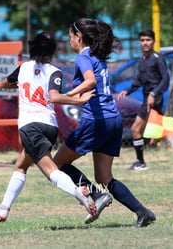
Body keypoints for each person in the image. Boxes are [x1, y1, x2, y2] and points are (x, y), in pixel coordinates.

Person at [0, 32, 97, 222]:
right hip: (50, 127)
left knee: (51, 171)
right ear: (51, 53)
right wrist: (77, 99)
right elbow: (54, 95)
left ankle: (79, 193)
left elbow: (3, 84)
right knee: (21, 165)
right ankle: (3, 209)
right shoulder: (55, 72)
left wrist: (17, 85)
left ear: (32, 50)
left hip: (30, 127)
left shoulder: (23, 68)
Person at [53, 18, 156, 227]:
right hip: (113, 120)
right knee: (104, 176)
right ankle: (142, 212)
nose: (69, 40)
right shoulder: (97, 57)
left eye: (70, 36)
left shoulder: (83, 57)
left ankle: (97, 197)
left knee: (57, 164)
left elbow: (90, 81)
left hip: (96, 121)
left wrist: (68, 94)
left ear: (78, 37)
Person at [118, 30, 173, 171]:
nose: (145, 43)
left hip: (154, 98)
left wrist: (153, 94)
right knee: (158, 127)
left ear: (153, 41)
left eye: (148, 40)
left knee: (135, 129)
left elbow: (165, 80)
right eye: (143, 40)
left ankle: (140, 162)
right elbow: (139, 80)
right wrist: (128, 90)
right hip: (148, 97)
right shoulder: (142, 59)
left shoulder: (157, 58)